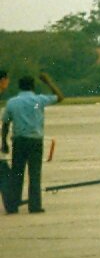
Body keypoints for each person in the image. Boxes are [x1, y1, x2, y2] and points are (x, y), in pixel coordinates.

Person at [1, 73, 64, 214]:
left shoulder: (12, 102)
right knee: (34, 174)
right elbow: (60, 97)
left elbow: (5, 124)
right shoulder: (39, 100)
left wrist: (3, 142)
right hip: (35, 141)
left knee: (17, 174)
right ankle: (34, 205)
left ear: (19, 87)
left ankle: (13, 205)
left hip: (19, 141)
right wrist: (49, 82)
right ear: (33, 86)